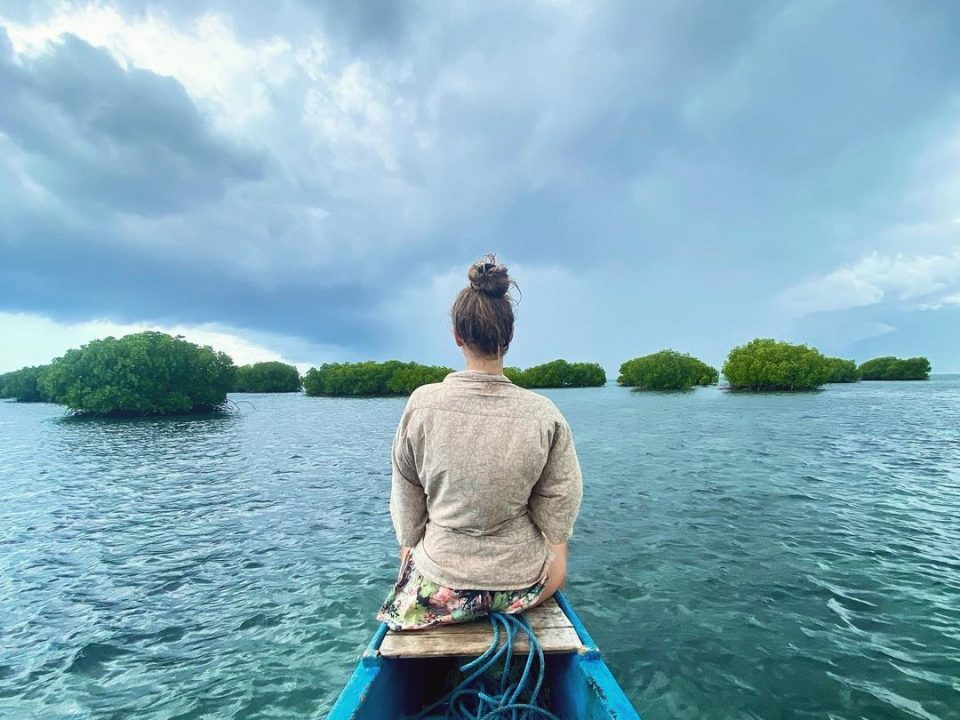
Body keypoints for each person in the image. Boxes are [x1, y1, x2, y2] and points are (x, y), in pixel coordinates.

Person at [376, 255, 583, 631]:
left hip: (441, 585)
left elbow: (408, 512)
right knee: (555, 572)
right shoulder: (545, 414)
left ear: (457, 335)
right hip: (521, 586)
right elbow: (559, 511)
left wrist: (413, 566)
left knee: (413, 576)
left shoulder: (420, 404)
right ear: (510, 336)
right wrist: (553, 570)